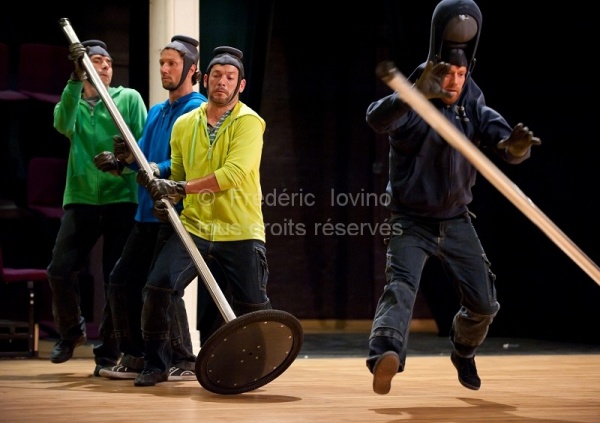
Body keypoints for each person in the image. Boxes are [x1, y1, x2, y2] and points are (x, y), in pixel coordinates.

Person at [364, 0, 541, 395]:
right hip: (410, 220)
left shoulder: (471, 104)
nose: (455, 80)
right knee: (402, 285)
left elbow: (500, 138)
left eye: (462, 73)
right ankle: (385, 354)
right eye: (449, 73)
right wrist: (410, 97)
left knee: (484, 304)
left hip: (456, 219)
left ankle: (463, 351)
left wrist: (515, 148)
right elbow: (376, 118)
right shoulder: (412, 100)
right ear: (435, 69)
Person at [133, 45, 272, 387]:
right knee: (158, 287)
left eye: (230, 77)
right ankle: (156, 364)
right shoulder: (184, 124)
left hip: (240, 229)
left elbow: (232, 175)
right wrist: (162, 186)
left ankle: (260, 365)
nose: (222, 82)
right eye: (217, 76)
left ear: (240, 85)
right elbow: (178, 169)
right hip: (194, 227)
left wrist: (179, 188)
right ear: (205, 79)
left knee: (254, 304)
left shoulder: (250, 122)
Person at [92, 35, 208, 381]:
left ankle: (183, 360)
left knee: (161, 287)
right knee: (121, 280)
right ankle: (136, 354)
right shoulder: (158, 111)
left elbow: (181, 163)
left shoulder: (195, 111)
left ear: (191, 70)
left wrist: (157, 168)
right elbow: (140, 159)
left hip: (171, 213)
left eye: (172, 64)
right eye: (162, 63)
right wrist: (120, 161)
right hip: (144, 214)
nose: (165, 69)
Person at [48, 39, 147, 375]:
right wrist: (75, 80)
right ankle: (71, 332)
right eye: (97, 61)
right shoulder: (73, 96)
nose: (105, 66)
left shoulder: (128, 98)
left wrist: (121, 163)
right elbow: (63, 123)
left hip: (121, 197)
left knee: (113, 279)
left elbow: (141, 141)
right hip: (82, 197)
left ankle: (108, 352)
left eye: (108, 61)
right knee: (59, 269)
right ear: (84, 67)